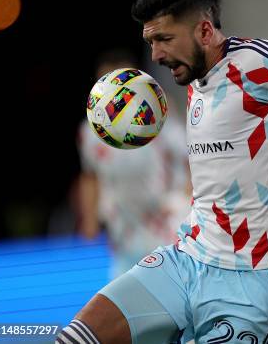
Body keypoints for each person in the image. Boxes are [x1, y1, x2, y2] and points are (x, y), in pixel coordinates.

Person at [56, 0, 268, 344]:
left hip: (255, 283)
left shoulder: (257, 63)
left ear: (203, 31)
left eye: (164, 39)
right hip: (186, 260)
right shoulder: (195, 80)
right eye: (150, 41)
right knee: (76, 338)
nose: (156, 55)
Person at [77, 49, 190, 279]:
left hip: (165, 222)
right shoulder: (90, 132)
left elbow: (190, 162)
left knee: (170, 292)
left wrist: (188, 200)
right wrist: (89, 218)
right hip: (124, 227)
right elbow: (90, 175)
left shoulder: (158, 119)